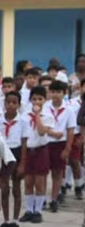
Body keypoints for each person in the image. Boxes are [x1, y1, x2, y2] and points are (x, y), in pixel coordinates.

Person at [18, 86, 52, 224]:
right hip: (28, 150)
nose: (37, 102)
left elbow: (42, 131)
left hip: (41, 150)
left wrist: (37, 116)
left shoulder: (48, 116)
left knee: (39, 182)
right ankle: (29, 210)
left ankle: (38, 211)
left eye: (40, 99)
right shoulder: (24, 116)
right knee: (28, 182)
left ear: (44, 99)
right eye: (34, 99)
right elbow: (22, 136)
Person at [0, 91, 25, 227]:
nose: (11, 105)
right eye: (8, 102)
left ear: (19, 105)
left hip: (17, 153)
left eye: (14, 102)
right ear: (4, 104)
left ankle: (15, 220)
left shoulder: (23, 121)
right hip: (3, 155)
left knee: (17, 187)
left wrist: (23, 163)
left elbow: (25, 143)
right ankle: (6, 220)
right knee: (4, 188)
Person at [46, 80, 75, 212]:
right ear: (49, 92)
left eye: (59, 92)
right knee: (42, 173)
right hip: (45, 143)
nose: (56, 95)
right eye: (53, 91)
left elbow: (70, 130)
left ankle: (54, 199)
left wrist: (68, 148)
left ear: (65, 93)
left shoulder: (69, 110)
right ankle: (41, 198)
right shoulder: (45, 107)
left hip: (60, 144)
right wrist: (51, 133)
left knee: (58, 173)